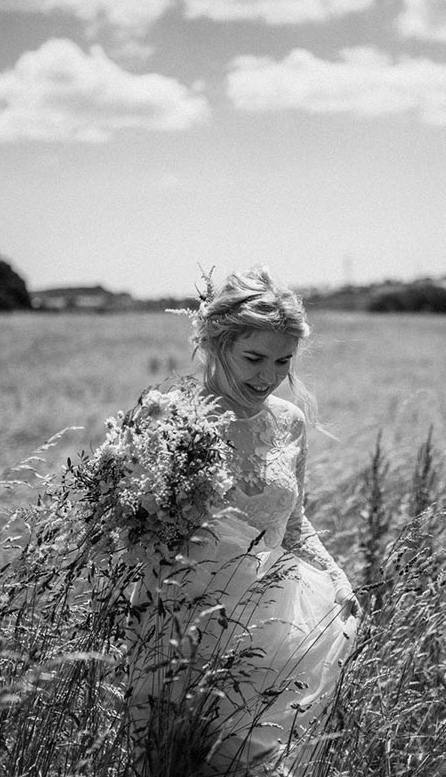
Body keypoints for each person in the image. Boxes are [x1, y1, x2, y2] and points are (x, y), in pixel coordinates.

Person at [125, 266, 358, 776]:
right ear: (215, 344)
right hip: (180, 625)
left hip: (271, 631)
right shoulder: (173, 418)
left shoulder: (289, 422)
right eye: (253, 358)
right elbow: (136, 523)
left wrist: (336, 578)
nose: (268, 375)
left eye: (282, 360)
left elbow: (292, 521)